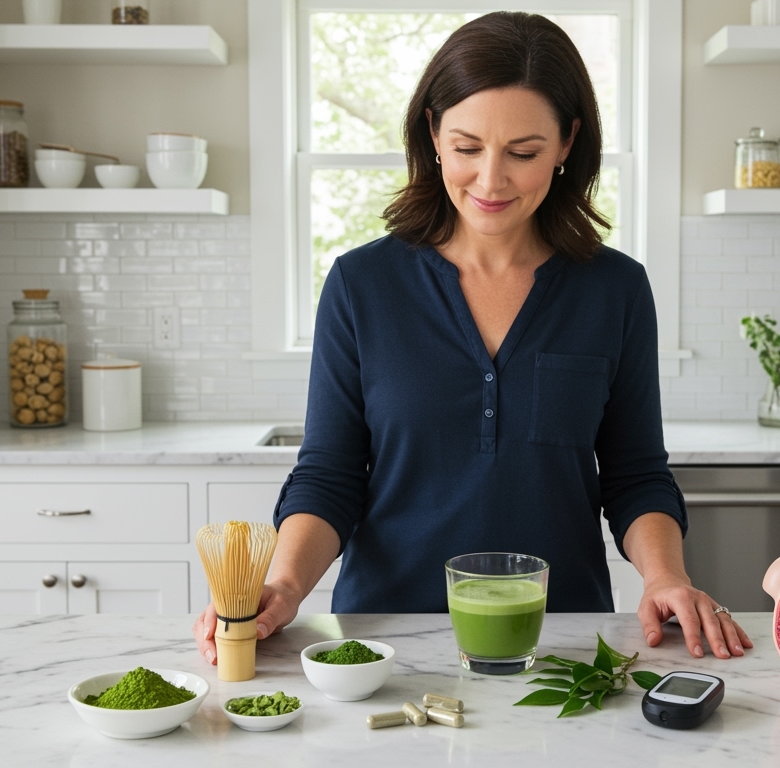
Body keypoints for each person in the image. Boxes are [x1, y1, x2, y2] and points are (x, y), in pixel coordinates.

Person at [195, 11, 751, 663]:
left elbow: (635, 475)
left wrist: (665, 577)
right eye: (467, 148)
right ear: (432, 132)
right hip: (386, 644)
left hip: (558, 648)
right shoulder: (360, 285)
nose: (490, 181)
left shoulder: (615, 290)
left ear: (568, 143)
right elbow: (330, 472)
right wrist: (285, 585)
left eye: (523, 152)